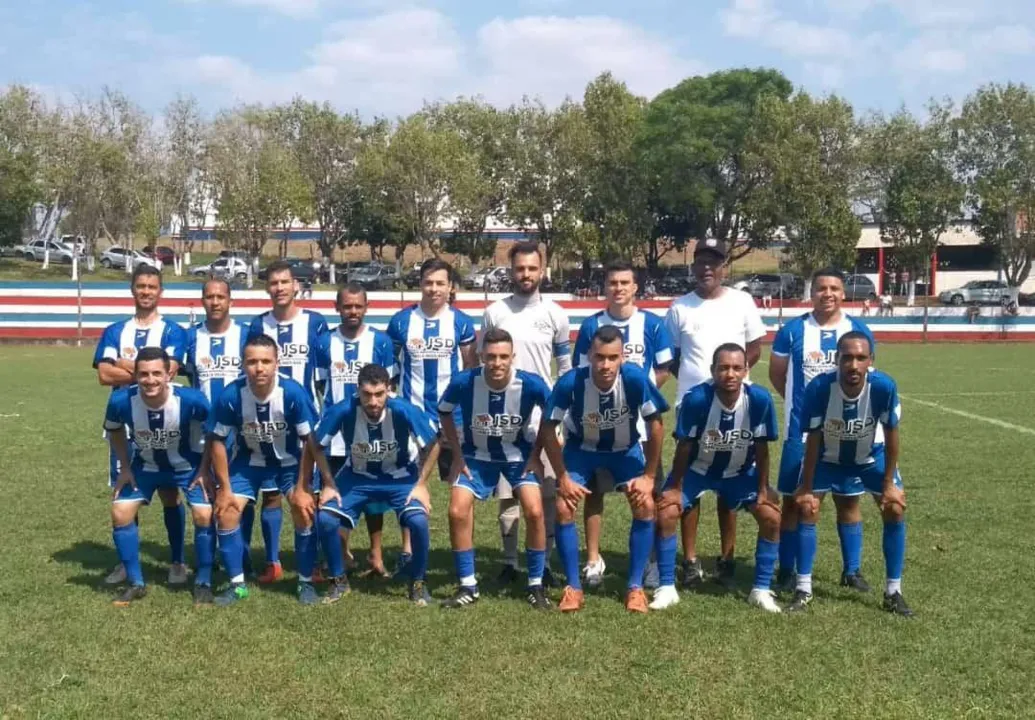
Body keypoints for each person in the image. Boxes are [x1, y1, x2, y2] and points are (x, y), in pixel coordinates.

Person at [540, 325, 669, 613]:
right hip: (581, 451)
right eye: (599, 357)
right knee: (563, 506)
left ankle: (635, 587)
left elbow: (656, 423)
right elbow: (548, 427)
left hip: (625, 452)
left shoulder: (635, 379)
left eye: (613, 357)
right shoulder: (571, 382)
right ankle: (573, 587)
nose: (606, 365)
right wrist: (562, 477)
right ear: (589, 355)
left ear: (623, 357)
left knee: (645, 503)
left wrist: (649, 476)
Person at [664, 238, 766, 589]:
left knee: (730, 481)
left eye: (714, 262)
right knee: (692, 481)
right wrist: (701, 389)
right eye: (702, 261)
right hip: (692, 408)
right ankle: (690, 560)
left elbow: (754, 347)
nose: (708, 267)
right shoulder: (679, 308)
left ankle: (727, 557)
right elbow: (671, 355)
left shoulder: (742, 302)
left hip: (738, 407)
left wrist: (731, 377)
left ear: (724, 267)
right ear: (693, 266)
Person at [787, 332, 912, 617]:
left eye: (860, 358)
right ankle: (803, 589)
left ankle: (893, 592)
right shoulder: (820, 388)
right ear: (837, 360)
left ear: (871, 361)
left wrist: (889, 483)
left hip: (870, 458)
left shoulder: (883, 386)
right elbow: (814, 438)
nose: (853, 365)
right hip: (827, 459)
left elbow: (892, 435)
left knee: (894, 508)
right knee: (806, 506)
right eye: (847, 357)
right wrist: (807, 486)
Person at [768, 269, 875, 593]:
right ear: (811, 293)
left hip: (846, 433)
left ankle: (852, 571)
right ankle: (787, 570)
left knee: (848, 501)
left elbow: (867, 377)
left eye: (834, 288)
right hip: (799, 433)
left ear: (843, 293)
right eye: (821, 288)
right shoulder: (793, 330)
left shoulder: (858, 330)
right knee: (793, 502)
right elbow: (777, 375)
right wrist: (803, 407)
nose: (827, 294)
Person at [653, 344, 781, 612]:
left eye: (736, 368)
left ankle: (761, 589)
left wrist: (763, 487)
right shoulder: (697, 399)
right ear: (712, 371)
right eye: (723, 368)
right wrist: (675, 487)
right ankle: (666, 587)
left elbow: (762, 448)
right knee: (665, 512)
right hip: (697, 471)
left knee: (772, 517)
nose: (730, 374)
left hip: (739, 473)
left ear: (746, 370)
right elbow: (684, 446)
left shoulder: (759, 399)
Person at [572, 259, 674, 589]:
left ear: (635, 287)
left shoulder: (653, 324)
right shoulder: (591, 326)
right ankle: (593, 559)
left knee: (648, 489)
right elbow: (578, 371)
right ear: (605, 287)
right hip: (597, 422)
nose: (618, 288)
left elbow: (663, 368)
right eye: (612, 282)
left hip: (640, 424)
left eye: (624, 283)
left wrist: (636, 396)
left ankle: (649, 563)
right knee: (594, 491)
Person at [207, 335, 327, 606]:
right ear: (242, 364)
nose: (259, 368)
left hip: (289, 463)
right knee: (226, 512)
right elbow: (216, 441)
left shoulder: (293, 393)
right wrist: (224, 489)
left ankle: (305, 581)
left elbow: (310, 441)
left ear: (277, 363)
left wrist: (303, 487)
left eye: (265, 361)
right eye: (252, 362)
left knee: (303, 508)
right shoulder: (231, 394)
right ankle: (237, 585)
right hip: (248, 463)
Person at [437, 328, 553, 610]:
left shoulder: (531, 384)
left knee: (535, 510)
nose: (497, 363)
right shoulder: (465, 382)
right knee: (456, 510)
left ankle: (535, 584)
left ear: (513, 357)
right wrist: (457, 454)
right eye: (490, 356)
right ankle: (468, 585)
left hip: (517, 456)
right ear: (480, 356)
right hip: (476, 456)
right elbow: (444, 411)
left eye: (503, 356)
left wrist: (536, 454)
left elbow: (552, 416)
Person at [480, 241, 571, 587]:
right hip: (503, 421)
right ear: (511, 270)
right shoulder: (495, 312)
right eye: (520, 269)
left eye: (532, 268)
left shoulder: (556, 314)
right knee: (508, 495)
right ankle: (509, 561)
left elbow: (564, 368)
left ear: (542, 270)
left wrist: (560, 417)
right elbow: (482, 361)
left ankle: (543, 562)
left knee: (546, 494)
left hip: (543, 421)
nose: (526, 275)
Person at [93, 264, 189, 587]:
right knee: (124, 490)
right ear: (132, 289)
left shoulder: (174, 331)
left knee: (169, 492)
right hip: (124, 425)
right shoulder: (114, 331)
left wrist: (124, 363)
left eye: (152, 286)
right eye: (141, 286)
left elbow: (170, 371)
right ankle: (126, 562)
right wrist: (145, 369)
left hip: (163, 425)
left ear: (160, 291)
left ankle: (177, 561)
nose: (146, 291)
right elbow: (104, 375)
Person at [313, 364, 439, 606]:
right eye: (367, 394)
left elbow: (434, 443)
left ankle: (418, 583)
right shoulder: (343, 410)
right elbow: (316, 444)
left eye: (379, 394)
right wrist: (328, 483)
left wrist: (421, 484)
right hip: (356, 476)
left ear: (388, 390)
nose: (373, 401)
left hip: (400, 477)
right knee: (327, 519)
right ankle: (338, 580)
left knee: (418, 520)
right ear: (357, 390)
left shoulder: (403, 409)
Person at [387, 258, 476, 577]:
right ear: (420, 283)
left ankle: (463, 553)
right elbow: (391, 368)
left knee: (461, 489)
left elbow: (469, 371)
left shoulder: (461, 323)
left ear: (451, 286)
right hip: (414, 420)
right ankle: (408, 552)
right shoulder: (401, 322)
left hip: (454, 421)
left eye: (441, 283)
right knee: (410, 486)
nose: (434, 288)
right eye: (429, 282)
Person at [104, 348, 214, 606]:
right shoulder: (121, 401)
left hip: (188, 468)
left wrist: (204, 470)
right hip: (146, 467)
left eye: (156, 373)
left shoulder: (192, 400)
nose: (150, 380)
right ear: (135, 375)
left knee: (204, 515)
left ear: (169, 374)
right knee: (120, 512)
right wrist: (125, 468)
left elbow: (214, 434)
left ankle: (202, 581)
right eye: (143, 374)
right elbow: (115, 431)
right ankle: (136, 582)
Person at [247, 259, 330, 584]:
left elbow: (324, 372)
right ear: (267, 287)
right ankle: (272, 561)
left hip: (305, 420)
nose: (279, 288)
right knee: (270, 493)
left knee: (308, 492)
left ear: (296, 285)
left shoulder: (315, 323)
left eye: (285, 282)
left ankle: (314, 561)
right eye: (273, 283)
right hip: (268, 421)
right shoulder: (258, 325)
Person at [324, 283, 398, 576]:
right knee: (340, 494)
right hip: (338, 437)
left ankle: (375, 556)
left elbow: (389, 387)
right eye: (347, 306)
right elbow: (321, 385)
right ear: (337, 307)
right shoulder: (323, 342)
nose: (352, 311)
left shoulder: (380, 342)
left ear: (366, 308)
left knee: (374, 498)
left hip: (372, 433)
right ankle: (341, 554)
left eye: (358, 306)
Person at [182, 278, 253, 575]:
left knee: (239, 493)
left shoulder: (246, 335)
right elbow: (188, 379)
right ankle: (208, 556)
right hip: (201, 430)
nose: (215, 302)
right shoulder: (190, 339)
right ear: (202, 301)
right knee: (206, 490)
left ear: (230, 301)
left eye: (220, 297)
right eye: (209, 297)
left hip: (240, 430)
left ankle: (242, 555)